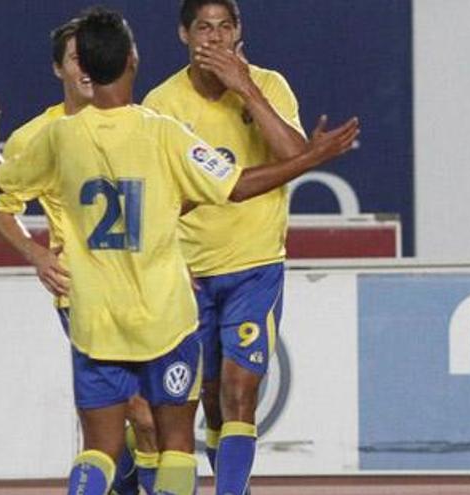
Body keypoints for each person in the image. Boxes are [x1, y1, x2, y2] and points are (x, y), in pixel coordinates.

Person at [0, 7, 359, 495]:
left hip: (98, 316)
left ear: (85, 71)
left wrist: (32, 244)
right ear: (133, 60)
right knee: (175, 443)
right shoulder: (161, 129)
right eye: (204, 26)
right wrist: (313, 156)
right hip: (167, 312)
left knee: (100, 448)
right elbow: (235, 186)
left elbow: (1, 188)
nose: (215, 36)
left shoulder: (58, 136)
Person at [0, 18, 157, 495]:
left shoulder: (140, 123)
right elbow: (0, 210)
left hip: (150, 292)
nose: (87, 68)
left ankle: (127, 479)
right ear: (59, 69)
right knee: (134, 411)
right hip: (84, 294)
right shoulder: (40, 135)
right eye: (75, 58)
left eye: (92, 56)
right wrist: (35, 253)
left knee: (150, 421)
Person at [142, 1, 310, 492]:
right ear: (184, 35)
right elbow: (154, 196)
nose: (213, 39)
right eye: (203, 28)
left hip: (255, 266)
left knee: (240, 392)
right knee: (209, 398)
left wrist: (247, 89)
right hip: (188, 272)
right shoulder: (162, 103)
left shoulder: (270, 84)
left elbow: (297, 157)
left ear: (238, 33)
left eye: (223, 28)